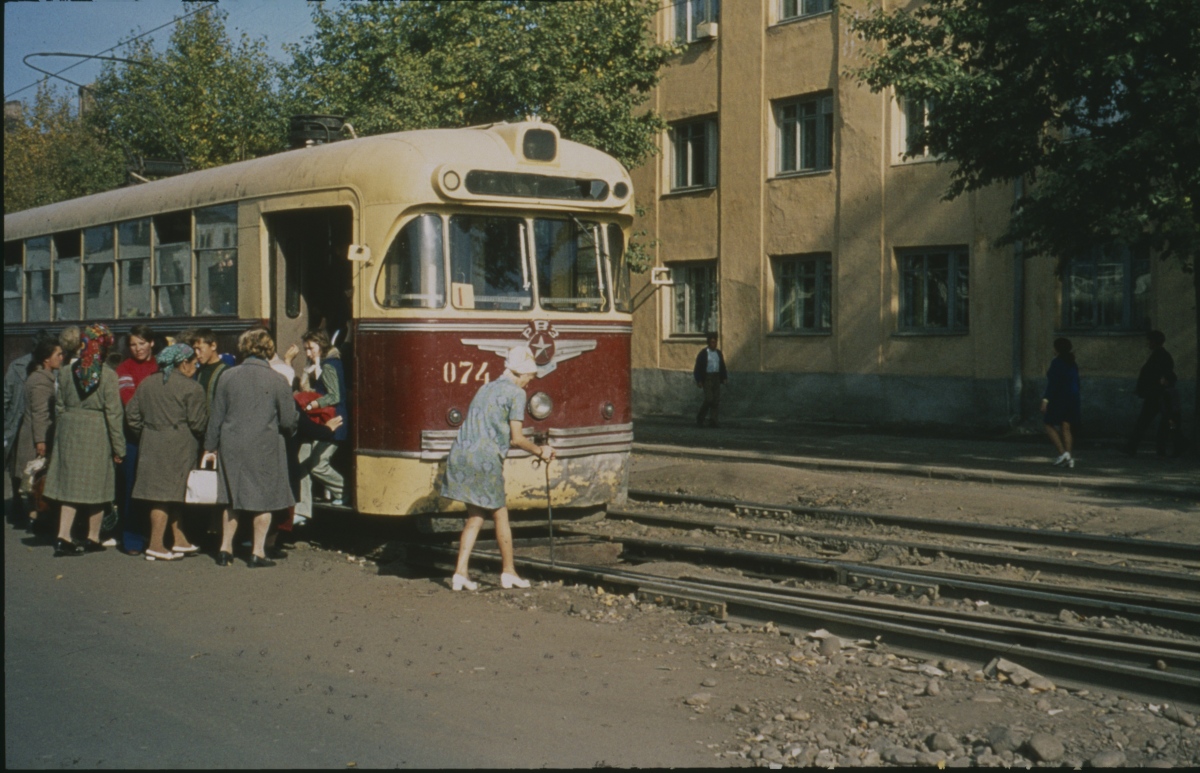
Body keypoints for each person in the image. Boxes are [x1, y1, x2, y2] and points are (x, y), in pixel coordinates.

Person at [441, 345, 554, 591]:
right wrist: (540, 451)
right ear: (520, 373)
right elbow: (516, 438)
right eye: (530, 376)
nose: (530, 381)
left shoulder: (486, 387)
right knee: (500, 513)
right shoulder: (516, 393)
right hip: (485, 460)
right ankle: (509, 571)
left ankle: (460, 573)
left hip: (461, 454)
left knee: (475, 516)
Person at [202, 328, 299, 568]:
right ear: (268, 349)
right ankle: (257, 553)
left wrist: (209, 447)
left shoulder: (227, 376)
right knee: (263, 499)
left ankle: (224, 550)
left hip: (231, 444)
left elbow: (216, 416)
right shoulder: (278, 379)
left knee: (232, 498)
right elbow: (288, 421)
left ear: (244, 348)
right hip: (264, 445)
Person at [42, 324, 124, 557]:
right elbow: (114, 413)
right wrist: (119, 447)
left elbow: (59, 406)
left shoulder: (66, 372)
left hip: (69, 430)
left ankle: (63, 536)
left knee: (70, 486)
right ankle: (92, 537)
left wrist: (63, 431)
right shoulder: (108, 375)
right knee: (98, 486)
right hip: (96, 430)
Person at [126, 344, 209, 561]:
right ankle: (155, 545)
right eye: (194, 362)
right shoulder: (192, 388)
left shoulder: (147, 383)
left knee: (170, 494)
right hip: (179, 446)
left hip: (151, 443)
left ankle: (179, 539)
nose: (196, 366)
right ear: (184, 363)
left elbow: (132, 415)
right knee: (164, 496)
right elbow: (198, 424)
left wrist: (147, 433)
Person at [8, 337, 63, 530]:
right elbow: (41, 413)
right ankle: (37, 520)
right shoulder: (41, 380)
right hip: (34, 439)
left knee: (34, 482)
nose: (62, 358)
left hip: (30, 435)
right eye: (58, 354)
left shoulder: (39, 376)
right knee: (37, 480)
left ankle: (35, 518)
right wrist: (41, 441)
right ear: (46, 359)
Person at [115, 325, 157, 554]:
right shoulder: (124, 369)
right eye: (133, 344)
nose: (138, 348)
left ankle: (156, 537)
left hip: (158, 437)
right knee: (132, 487)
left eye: (142, 343)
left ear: (151, 343)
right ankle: (131, 538)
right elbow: (128, 401)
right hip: (133, 438)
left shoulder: (161, 366)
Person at [294, 330, 348, 508]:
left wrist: (311, 406)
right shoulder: (323, 363)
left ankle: (344, 491)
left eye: (311, 348)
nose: (308, 353)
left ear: (321, 344)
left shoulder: (329, 365)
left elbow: (334, 396)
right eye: (306, 349)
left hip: (333, 421)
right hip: (326, 420)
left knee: (318, 465)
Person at [1124, 330, 1175, 457]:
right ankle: (1158, 449)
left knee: (1146, 421)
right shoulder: (1160, 355)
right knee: (1160, 422)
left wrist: (1147, 388)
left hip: (1157, 394)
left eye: (1149, 341)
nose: (1148, 343)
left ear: (1154, 342)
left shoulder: (1160, 356)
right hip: (1157, 393)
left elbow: (1156, 375)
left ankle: (1132, 447)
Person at [1041, 337, 1081, 468]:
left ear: (1057, 349)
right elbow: (1076, 383)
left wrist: (1046, 400)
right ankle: (1069, 457)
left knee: (1048, 424)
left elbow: (1053, 384)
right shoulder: (1072, 363)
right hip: (1073, 398)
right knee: (1066, 427)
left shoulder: (1057, 362)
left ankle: (1062, 453)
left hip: (1059, 399)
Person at [693, 331, 728, 428]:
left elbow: (722, 366)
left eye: (715, 342)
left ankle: (714, 420)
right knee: (709, 399)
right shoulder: (704, 353)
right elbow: (697, 368)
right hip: (707, 378)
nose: (714, 344)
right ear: (708, 343)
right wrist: (699, 380)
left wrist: (724, 377)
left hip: (716, 377)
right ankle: (700, 417)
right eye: (712, 342)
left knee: (716, 400)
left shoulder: (718, 353)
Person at [1160, 371, 1188, 458]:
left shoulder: (1167, 392)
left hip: (1170, 417)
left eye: (1163, 378)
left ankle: (1182, 446)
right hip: (1176, 415)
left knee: (1171, 433)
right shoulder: (1175, 391)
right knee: (1175, 432)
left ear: (1166, 381)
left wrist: (1169, 418)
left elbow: (1168, 406)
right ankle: (1179, 448)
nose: (1161, 380)